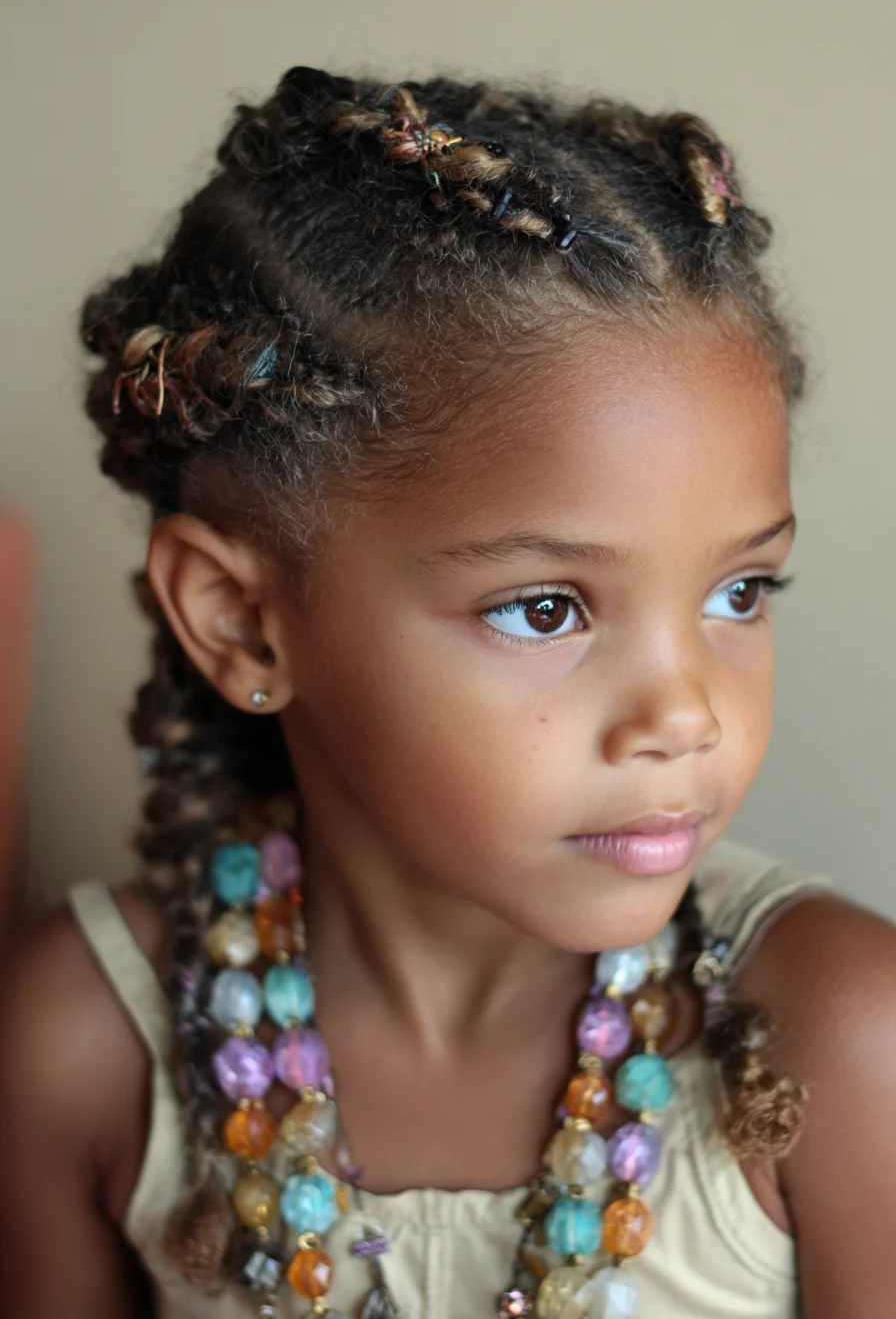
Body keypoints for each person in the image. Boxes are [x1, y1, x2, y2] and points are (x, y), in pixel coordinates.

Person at [1, 69, 894, 1319]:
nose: (684, 715)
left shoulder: (841, 1038)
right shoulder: (86, 1042)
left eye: (738, 593)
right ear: (242, 622)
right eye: (545, 608)